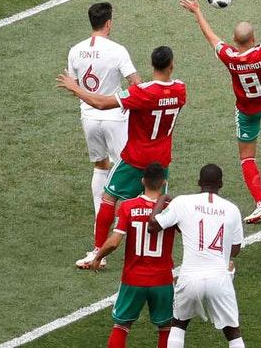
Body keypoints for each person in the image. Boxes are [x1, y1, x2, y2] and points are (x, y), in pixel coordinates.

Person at [179, 0, 261, 224]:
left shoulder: (228, 56)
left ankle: (260, 204)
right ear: (254, 39)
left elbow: (211, 37)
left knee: (247, 157)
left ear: (234, 40)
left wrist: (198, 12)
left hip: (248, 111)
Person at [57, 46, 186, 269]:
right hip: (161, 160)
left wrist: (74, 87)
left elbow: (100, 103)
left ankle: (98, 252)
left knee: (109, 198)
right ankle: (159, 256)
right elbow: (155, 97)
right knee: (158, 207)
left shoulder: (142, 92)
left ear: (152, 64)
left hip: (135, 159)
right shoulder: (180, 89)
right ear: (171, 65)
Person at [68, 2, 141, 269]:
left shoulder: (75, 50)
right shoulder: (117, 50)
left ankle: (101, 219)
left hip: (88, 118)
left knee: (100, 167)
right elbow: (135, 84)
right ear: (108, 23)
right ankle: (136, 220)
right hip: (114, 118)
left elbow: (72, 85)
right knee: (128, 169)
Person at [148, 164, 246, 348]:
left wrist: (161, 200)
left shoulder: (183, 202)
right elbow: (235, 248)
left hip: (190, 276)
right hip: (219, 277)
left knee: (178, 325)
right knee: (233, 333)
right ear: (221, 184)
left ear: (199, 182)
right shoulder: (232, 209)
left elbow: (153, 226)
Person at [90, 163, 175, 348]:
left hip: (133, 279)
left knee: (121, 325)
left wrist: (98, 256)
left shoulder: (128, 207)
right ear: (164, 182)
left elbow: (114, 242)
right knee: (166, 327)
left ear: (142, 180)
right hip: (162, 280)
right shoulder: (172, 209)